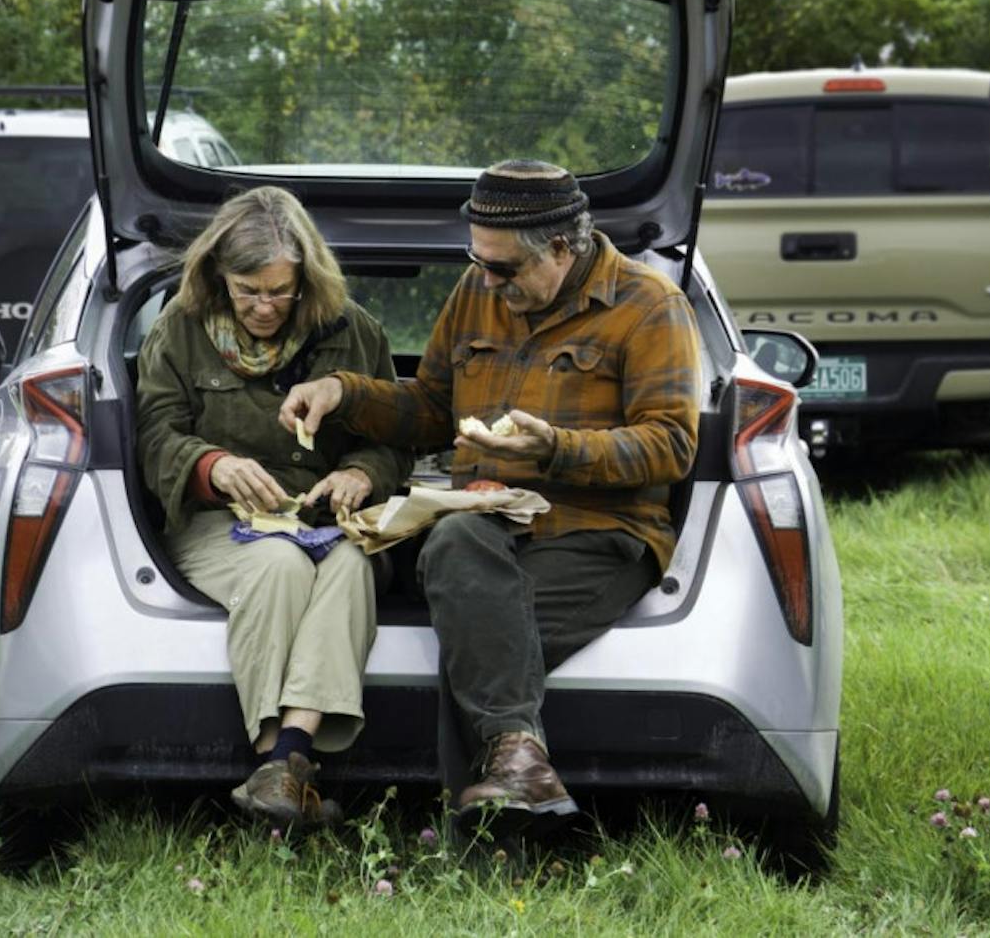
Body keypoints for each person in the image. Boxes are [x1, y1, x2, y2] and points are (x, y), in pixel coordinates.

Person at [279, 159, 701, 834]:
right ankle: (516, 768)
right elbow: (430, 409)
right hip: (480, 519)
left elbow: (670, 446)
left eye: (503, 268)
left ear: (561, 249)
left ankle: (480, 856)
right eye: (476, 261)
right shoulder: (478, 292)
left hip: (596, 530)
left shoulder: (650, 306)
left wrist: (554, 448)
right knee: (462, 552)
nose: (486, 280)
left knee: (478, 643)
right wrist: (345, 392)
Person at [136, 185, 411, 830]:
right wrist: (213, 466)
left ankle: (281, 771)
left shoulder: (355, 332)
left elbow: (396, 442)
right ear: (217, 276)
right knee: (278, 567)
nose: (263, 306)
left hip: (332, 523)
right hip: (219, 524)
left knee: (350, 567)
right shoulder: (178, 329)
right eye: (246, 290)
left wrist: (360, 472)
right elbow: (152, 436)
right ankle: (282, 763)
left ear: (306, 280)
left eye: (279, 291)